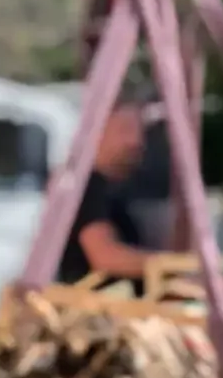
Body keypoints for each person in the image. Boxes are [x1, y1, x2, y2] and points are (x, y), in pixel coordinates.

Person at [57, 102, 154, 289]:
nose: (137, 141)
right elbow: (105, 256)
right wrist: (171, 266)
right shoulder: (86, 186)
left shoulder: (110, 191)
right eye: (125, 130)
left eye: (141, 132)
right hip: (95, 312)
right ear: (96, 133)